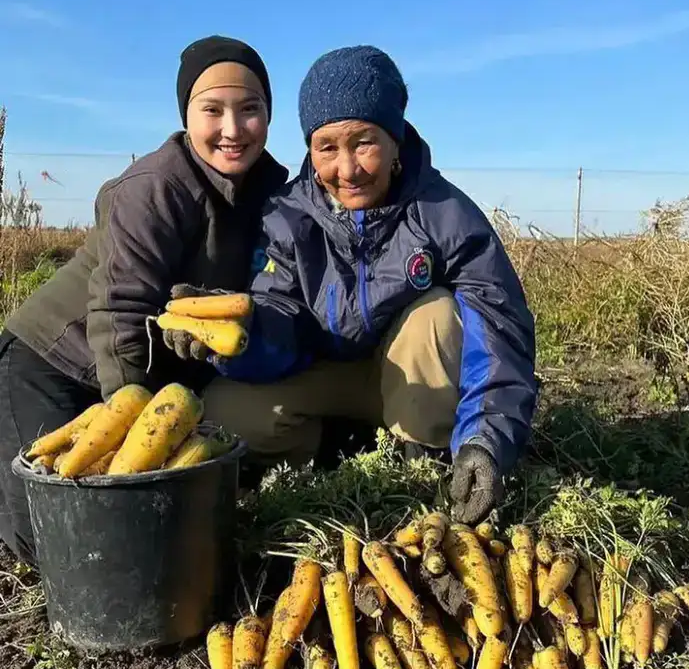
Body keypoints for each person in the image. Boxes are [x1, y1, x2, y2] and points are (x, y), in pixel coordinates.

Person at [181, 45, 537, 525]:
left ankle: (425, 466)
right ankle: (334, 451)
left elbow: (499, 328)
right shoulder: (286, 216)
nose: (347, 170)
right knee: (220, 411)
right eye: (327, 147)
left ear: (395, 140)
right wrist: (241, 332)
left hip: (406, 384)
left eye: (364, 142)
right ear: (309, 149)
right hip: (326, 378)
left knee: (434, 313)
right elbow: (282, 321)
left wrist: (486, 441)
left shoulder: (444, 213)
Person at [0, 35, 288, 563]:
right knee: (46, 537)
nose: (232, 129)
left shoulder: (272, 192)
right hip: (55, 361)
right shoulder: (155, 186)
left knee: (151, 526)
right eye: (212, 110)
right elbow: (118, 311)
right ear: (187, 115)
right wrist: (135, 422)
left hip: (152, 376)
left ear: (268, 115)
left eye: (250, 110)